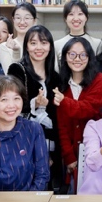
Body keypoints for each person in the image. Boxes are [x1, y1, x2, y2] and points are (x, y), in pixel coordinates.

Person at [0, 75, 50, 191]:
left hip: (26, 198)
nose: (11, 105)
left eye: (16, 98)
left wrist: (30, 199)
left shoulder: (34, 129)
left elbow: (42, 175)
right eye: (4, 100)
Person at [7, 25, 61, 191]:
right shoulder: (17, 69)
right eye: (33, 43)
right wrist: (34, 104)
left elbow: (56, 114)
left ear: (50, 46)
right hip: (23, 139)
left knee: (46, 188)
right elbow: (11, 104)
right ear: (27, 46)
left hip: (49, 141)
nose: (39, 48)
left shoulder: (55, 77)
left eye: (43, 43)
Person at [54, 36, 102, 190]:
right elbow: (62, 125)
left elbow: (88, 109)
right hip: (72, 154)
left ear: (89, 57)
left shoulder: (100, 80)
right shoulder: (61, 83)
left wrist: (64, 101)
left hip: (98, 151)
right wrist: (69, 157)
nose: (77, 59)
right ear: (65, 57)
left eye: (83, 54)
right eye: (72, 54)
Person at [53, 0, 101, 69]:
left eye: (80, 14)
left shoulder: (97, 43)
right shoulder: (56, 45)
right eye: (71, 14)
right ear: (65, 18)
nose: (76, 18)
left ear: (86, 17)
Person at [0, 2, 38, 74]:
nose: (22, 22)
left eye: (27, 18)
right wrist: (16, 51)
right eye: (18, 18)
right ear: (13, 20)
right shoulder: (5, 47)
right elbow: (10, 75)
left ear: (34, 21)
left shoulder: (40, 46)